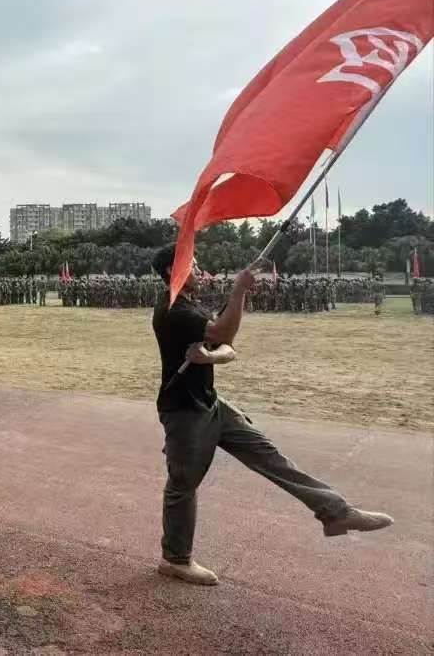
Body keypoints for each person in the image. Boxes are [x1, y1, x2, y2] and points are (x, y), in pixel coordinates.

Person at [150, 244, 393, 587]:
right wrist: (238, 291)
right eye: (193, 265)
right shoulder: (173, 310)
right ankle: (175, 560)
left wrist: (213, 357)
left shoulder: (191, 305)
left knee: (269, 456)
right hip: (184, 412)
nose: (200, 270)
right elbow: (223, 334)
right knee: (183, 486)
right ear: (172, 272)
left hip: (211, 404)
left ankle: (336, 512)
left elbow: (227, 348)